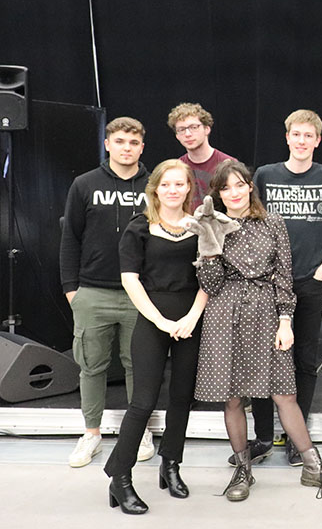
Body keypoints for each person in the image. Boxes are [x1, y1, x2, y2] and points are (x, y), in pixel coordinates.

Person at [193, 160, 322, 501]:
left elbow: (283, 276)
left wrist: (285, 320)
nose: (234, 193)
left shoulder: (273, 222)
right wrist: (209, 250)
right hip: (225, 313)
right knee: (233, 397)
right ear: (219, 194)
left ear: (250, 187)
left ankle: (313, 465)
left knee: (284, 394)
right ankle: (243, 470)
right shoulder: (212, 225)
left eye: (239, 185)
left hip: (266, 312)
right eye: (226, 188)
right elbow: (211, 284)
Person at [104, 160, 207, 514]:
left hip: (191, 320)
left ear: (189, 188)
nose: (173, 190)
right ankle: (120, 477)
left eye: (180, 184)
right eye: (166, 184)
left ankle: (171, 465)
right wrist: (161, 321)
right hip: (152, 320)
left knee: (181, 397)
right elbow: (130, 279)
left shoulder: (201, 228)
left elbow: (210, 279)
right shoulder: (139, 227)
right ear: (156, 189)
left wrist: (191, 317)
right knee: (143, 401)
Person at [247, 109, 322, 467]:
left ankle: (295, 437)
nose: (302, 141)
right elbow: (251, 222)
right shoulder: (266, 174)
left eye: (308, 135)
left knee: (304, 360)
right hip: (266, 283)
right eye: (296, 134)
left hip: (309, 281)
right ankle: (262, 437)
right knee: (262, 360)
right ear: (287, 137)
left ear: (317, 140)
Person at [60, 116, 155, 467]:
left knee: (138, 366)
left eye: (133, 143)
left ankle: (139, 431)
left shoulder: (155, 185)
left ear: (142, 147)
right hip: (92, 292)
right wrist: (72, 290)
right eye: (120, 141)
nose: (126, 148)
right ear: (107, 144)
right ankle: (92, 434)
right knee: (91, 366)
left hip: (140, 294)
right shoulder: (84, 184)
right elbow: (70, 238)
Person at [167, 102, 235, 210]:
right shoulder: (176, 168)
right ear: (177, 136)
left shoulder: (229, 164)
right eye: (181, 129)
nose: (188, 134)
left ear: (206, 129)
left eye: (194, 127)